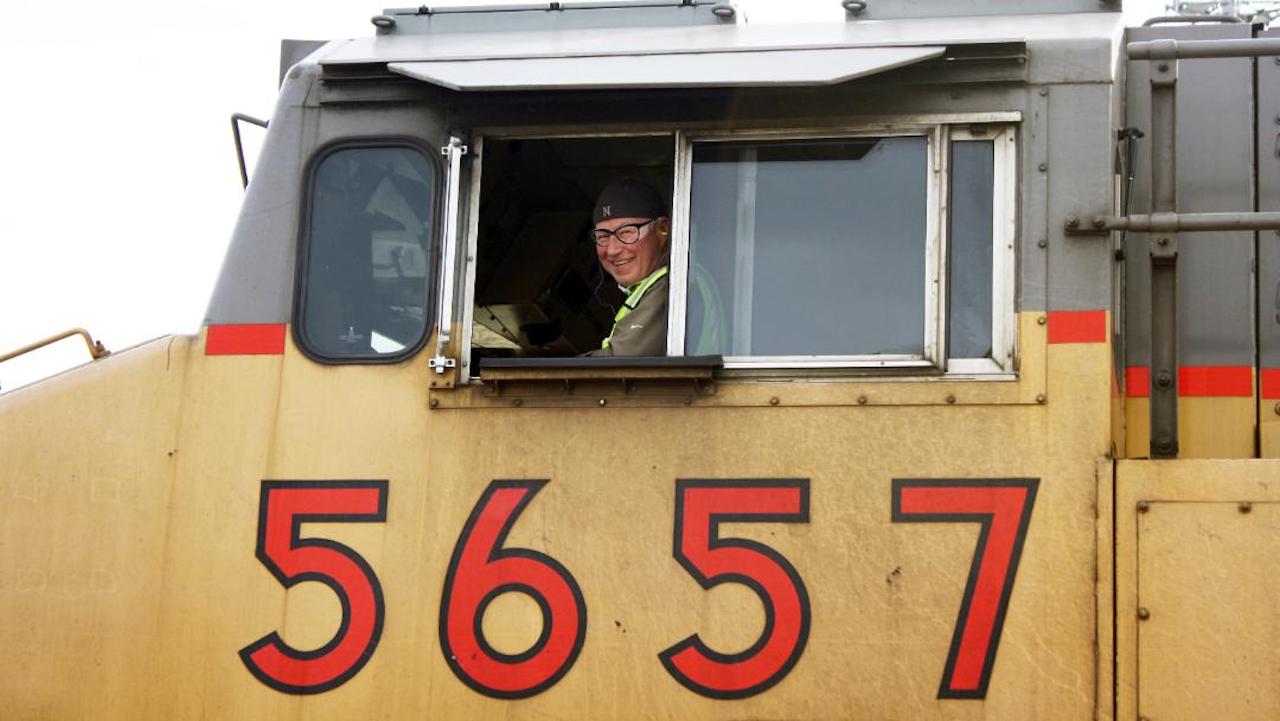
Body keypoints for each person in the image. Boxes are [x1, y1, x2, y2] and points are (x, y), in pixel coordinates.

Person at [585, 177, 670, 356]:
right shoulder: (652, 286)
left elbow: (621, 362)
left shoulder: (673, 287)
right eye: (603, 237)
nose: (612, 250)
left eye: (626, 233)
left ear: (663, 229)